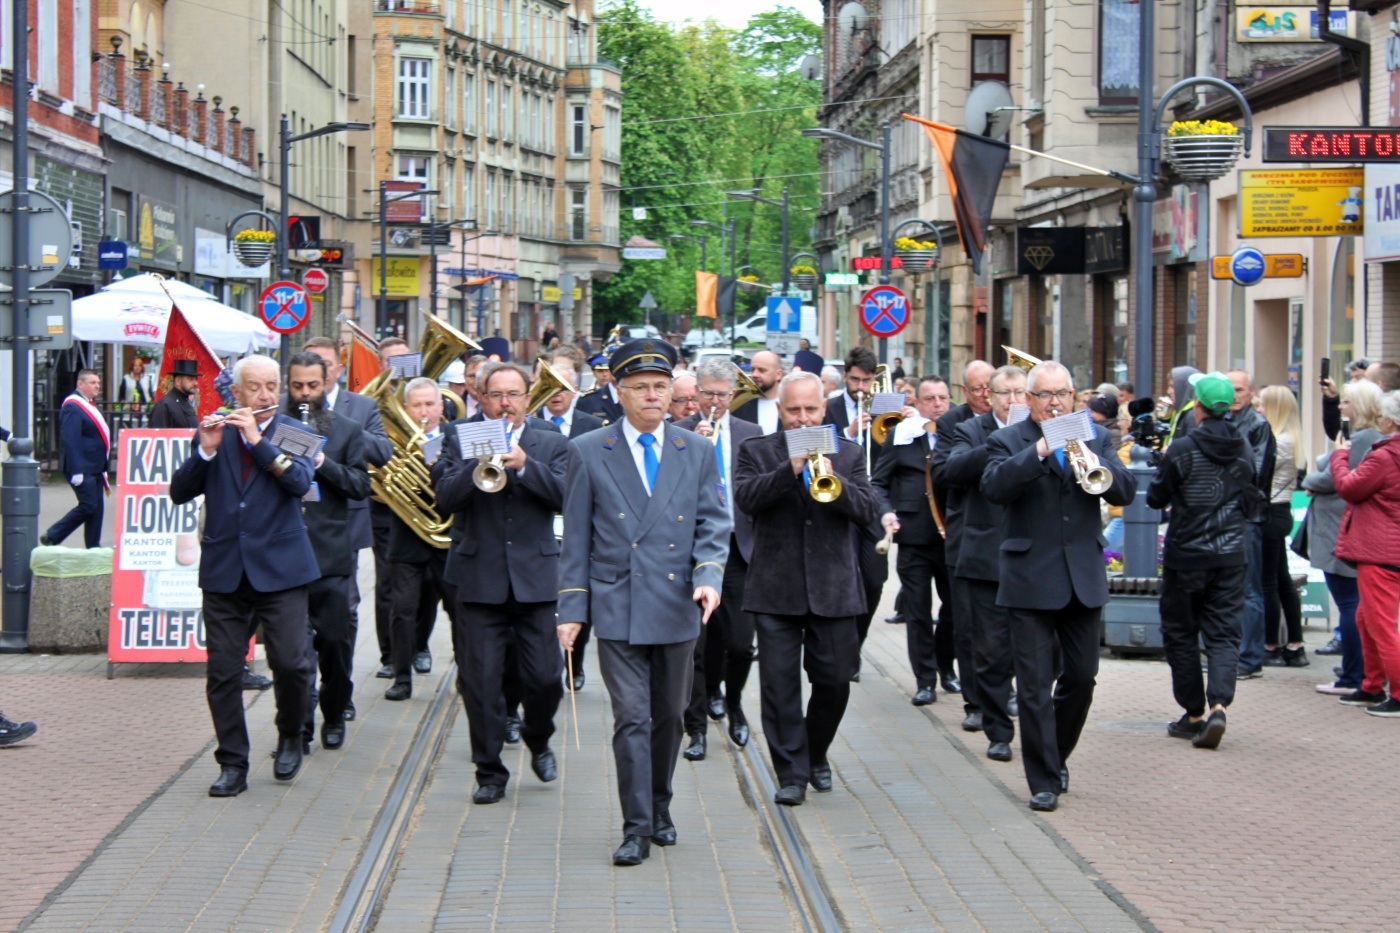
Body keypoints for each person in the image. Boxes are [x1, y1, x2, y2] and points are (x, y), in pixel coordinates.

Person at [556, 338, 729, 866]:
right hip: (618, 603)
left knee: (670, 716)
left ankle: (660, 805)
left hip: (678, 601)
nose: (654, 396)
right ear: (619, 391)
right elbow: (576, 536)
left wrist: (708, 575)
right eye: (641, 388)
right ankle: (636, 827)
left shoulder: (695, 450)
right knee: (631, 716)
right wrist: (571, 611)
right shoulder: (589, 449)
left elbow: (713, 522)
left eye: (661, 387)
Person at [981, 361, 1136, 811]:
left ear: (1074, 397)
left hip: (1082, 575)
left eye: (1062, 394)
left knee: (1082, 679)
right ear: (1028, 400)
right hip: (1030, 576)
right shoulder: (1007, 440)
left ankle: (1057, 754)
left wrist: (1092, 459)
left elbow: (1122, 491)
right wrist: (1042, 452)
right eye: (1045, 395)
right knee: (1032, 686)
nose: (1054, 403)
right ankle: (1043, 780)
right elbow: (994, 486)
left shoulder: (1096, 435)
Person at [169, 356, 319, 797]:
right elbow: (179, 492)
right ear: (235, 392)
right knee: (223, 673)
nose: (265, 396)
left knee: (292, 664)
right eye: (254, 387)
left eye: (272, 386)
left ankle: (291, 732)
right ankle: (232, 762)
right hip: (225, 571)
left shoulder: (296, 431)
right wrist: (206, 450)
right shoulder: (217, 429)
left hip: (282, 570)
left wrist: (259, 442)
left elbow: (301, 483)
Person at [735, 370, 882, 805]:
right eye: (794, 410)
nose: (802, 419)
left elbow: (868, 510)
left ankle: (815, 752)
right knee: (779, 687)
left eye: (811, 409)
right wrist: (789, 469)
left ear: (825, 409)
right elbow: (746, 499)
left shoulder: (851, 453)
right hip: (775, 587)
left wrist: (833, 483)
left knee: (835, 680)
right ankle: (791, 773)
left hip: (833, 588)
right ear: (780, 411)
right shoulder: (756, 450)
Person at [435, 361, 569, 803]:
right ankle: (489, 772)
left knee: (547, 678)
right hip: (479, 580)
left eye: (514, 395)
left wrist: (527, 466)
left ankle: (538, 736)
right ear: (481, 399)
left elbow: (568, 497)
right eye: (496, 396)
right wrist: (479, 466)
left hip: (536, 579)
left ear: (528, 399)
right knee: (482, 682)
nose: (505, 403)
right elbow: (445, 500)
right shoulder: (458, 436)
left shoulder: (550, 442)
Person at [1147, 372, 1256, 750]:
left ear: (1198, 408)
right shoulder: (1244, 446)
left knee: (1181, 632)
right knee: (1224, 633)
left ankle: (1193, 713)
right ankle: (1220, 704)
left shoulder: (1183, 448)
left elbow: (1156, 498)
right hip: (1230, 554)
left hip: (1187, 555)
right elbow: (1250, 494)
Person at [677, 358, 763, 758]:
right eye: (707, 394)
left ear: (733, 395)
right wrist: (692, 445)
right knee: (694, 645)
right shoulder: (677, 432)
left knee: (742, 644)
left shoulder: (751, 433)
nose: (714, 402)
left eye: (722, 395)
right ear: (696, 393)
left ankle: (733, 702)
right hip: (690, 552)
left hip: (737, 550)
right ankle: (695, 729)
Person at [302, 336, 393, 717]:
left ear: (337, 369)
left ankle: (340, 688)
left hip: (345, 522)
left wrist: (346, 432)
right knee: (299, 615)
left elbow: (383, 451)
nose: (316, 375)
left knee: (345, 611)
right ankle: (304, 697)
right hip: (300, 523)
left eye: (323, 366)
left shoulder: (361, 406)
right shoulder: (295, 407)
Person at [284, 353, 370, 751]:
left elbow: (359, 485)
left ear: (327, 383)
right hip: (283, 556)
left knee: (334, 644)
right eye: (297, 386)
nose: (304, 394)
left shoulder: (347, 430)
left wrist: (320, 461)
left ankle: (334, 714)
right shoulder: (273, 425)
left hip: (330, 554)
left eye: (312, 386)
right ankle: (296, 729)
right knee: (292, 653)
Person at [943, 364, 1027, 761]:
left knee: (1040, 651)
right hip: (986, 555)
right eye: (1004, 394)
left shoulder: (1044, 430)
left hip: (1033, 556)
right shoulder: (969, 430)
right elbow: (949, 471)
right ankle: (997, 729)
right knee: (990, 649)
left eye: (1020, 393)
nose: (1013, 402)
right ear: (988, 398)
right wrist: (999, 442)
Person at [871, 375, 954, 706]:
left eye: (943, 398)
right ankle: (925, 680)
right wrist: (886, 513)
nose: (937, 405)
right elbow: (879, 482)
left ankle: (947, 666)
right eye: (930, 399)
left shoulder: (958, 435)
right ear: (917, 404)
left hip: (950, 536)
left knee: (956, 610)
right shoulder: (901, 435)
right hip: (913, 538)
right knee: (917, 610)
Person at [1303, 380, 1386, 694]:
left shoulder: (1365, 439)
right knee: (1358, 605)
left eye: (1346, 402)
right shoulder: (1365, 436)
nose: (1341, 407)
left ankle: (1356, 674)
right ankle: (1364, 672)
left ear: (1361, 406)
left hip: (1342, 527)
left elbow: (1335, 479)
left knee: (1350, 605)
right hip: (1347, 525)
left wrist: (1313, 477)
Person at [928, 359, 996, 718]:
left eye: (991, 388)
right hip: (968, 534)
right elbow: (942, 473)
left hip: (1008, 536)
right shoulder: (953, 423)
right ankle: (974, 703)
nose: (986, 395)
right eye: (978, 389)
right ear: (965, 392)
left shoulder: (1020, 419)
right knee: (968, 626)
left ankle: (1002, 691)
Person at [384, 378, 454, 700]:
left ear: (441, 407)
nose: (424, 412)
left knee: (459, 609)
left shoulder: (456, 436)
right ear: (406, 409)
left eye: (430, 405)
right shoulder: (395, 441)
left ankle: (467, 673)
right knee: (403, 609)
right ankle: (401, 677)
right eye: (417, 406)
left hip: (449, 537)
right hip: (408, 536)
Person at [1331, 390, 1400, 716]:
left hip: (1380, 552)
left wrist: (1339, 456)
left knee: (1382, 626)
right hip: (1388, 549)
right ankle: (1372, 686)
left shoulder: (1385, 457)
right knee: (1365, 618)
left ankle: (1396, 695)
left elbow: (1348, 487)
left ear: (1390, 420)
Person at [823, 347, 890, 680]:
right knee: (844, 580)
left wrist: (900, 423)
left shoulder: (883, 406)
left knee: (875, 580)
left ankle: (855, 645)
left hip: (874, 501)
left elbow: (894, 449)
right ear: (845, 375)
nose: (860, 387)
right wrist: (848, 432)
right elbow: (818, 449)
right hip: (839, 500)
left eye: (866, 380)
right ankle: (845, 653)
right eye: (854, 380)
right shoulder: (830, 407)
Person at [1227, 370, 1276, 679]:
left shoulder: (1257, 426)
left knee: (1249, 590)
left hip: (1247, 516)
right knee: (1233, 590)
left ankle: (1250, 657)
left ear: (1251, 391)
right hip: (1228, 516)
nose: (1234, 395)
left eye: (1240, 389)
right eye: (1230, 389)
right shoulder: (1224, 421)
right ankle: (1235, 654)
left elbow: (1255, 474)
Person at [1258, 386, 1307, 668]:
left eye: (1263, 406)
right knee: (1282, 579)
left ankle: (1271, 644)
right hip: (1280, 511)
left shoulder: (1278, 441)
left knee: (1268, 583)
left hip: (1271, 512)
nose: (1259, 410)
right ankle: (1295, 643)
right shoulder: (1290, 438)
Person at [42, 370, 110, 549]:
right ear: (80, 384)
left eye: (98, 382)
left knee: (97, 510)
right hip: (82, 467)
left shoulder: (90, 404)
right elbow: (71, 440)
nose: (97, 386)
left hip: (95, 467)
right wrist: (77, 469)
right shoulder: (72, 406)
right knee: (88, 506)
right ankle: (52, 535)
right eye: (93, 382)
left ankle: (93, 547)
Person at [541, 357, 605, 441]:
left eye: (563, 388)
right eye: (552, 388)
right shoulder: (529, 421)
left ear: (575, 391)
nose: (556, 394)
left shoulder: (594, 425)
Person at [731, 350, 784, 434]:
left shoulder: (790, 405)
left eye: (762, 370)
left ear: (778, 374)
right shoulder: (741, 407)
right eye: (752, 370)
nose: (754, 375)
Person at [149, 359, 201, 429]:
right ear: (178, 381)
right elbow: (159, 435)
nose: (195, 383)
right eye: (191, 379)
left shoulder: (186, 403)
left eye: (195, 379)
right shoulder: (164, 405)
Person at [576, 354, 624, 426]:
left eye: (607, 370)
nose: (605, 374)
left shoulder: (628, 396)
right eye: (600, 371)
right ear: (594, 373)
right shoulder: (587, 399)